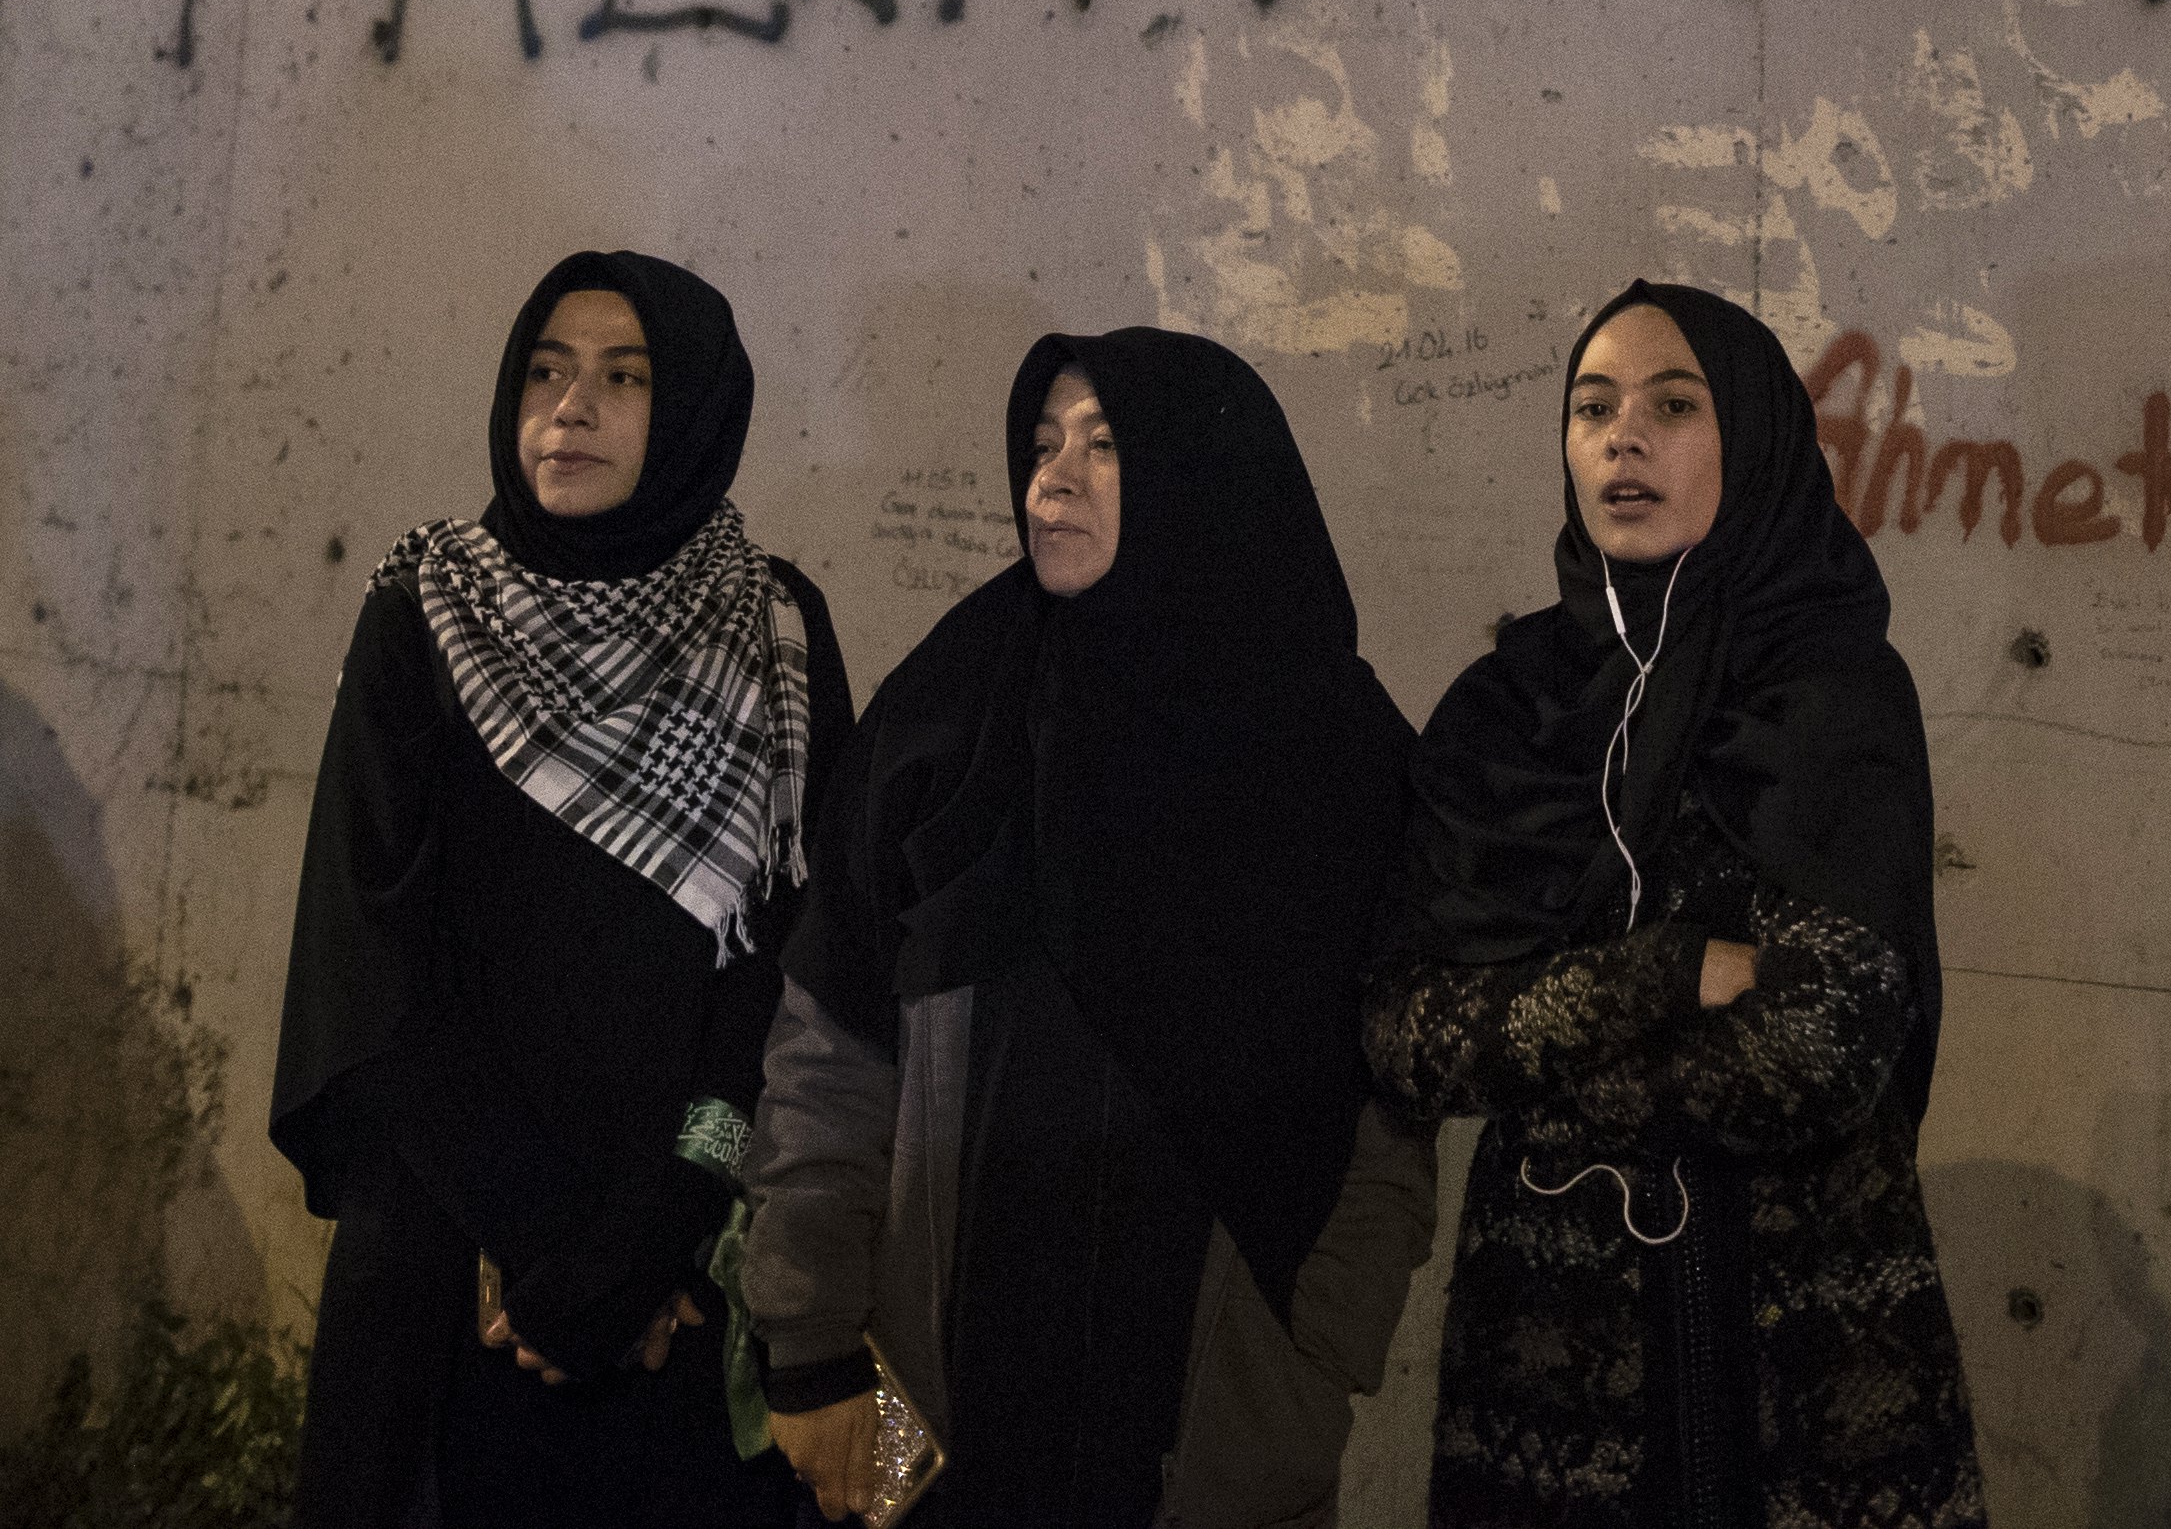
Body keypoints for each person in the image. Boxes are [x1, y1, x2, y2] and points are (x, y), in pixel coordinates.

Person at [743, 329, 1435, 1527]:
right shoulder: (950, 715)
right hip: (938, 1435)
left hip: (1213, 1453)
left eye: (1106, 447)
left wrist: (1311, 1356)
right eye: (1040, 445)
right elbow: (830, 1047)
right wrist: (808, 1343)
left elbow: (1393, 1105)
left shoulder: (1341, 762)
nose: (1049, 481)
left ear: (1207, 475)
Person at [1366, 280, 1987, 1529]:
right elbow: (1408, 1035)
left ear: (1748, 438)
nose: (1622, 437)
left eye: (1672, 404)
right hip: (1548, 1374)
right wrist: (1661, 974)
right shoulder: (1504, 714)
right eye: (1591, 408)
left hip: (1812, 1365)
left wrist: (1539, 1072)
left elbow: (1822, 1046)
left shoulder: (1832, 697)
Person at [271, 251, 853, 1527]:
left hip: (678, 1278)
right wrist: (556, 1258)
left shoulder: (777, 631)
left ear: (695, 409)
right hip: (454, 1265)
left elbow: (788, 966)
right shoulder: (424, 609)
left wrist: (660, 1227)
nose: (570, 408)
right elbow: (367, 969)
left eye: (623, 378)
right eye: (546, 370)